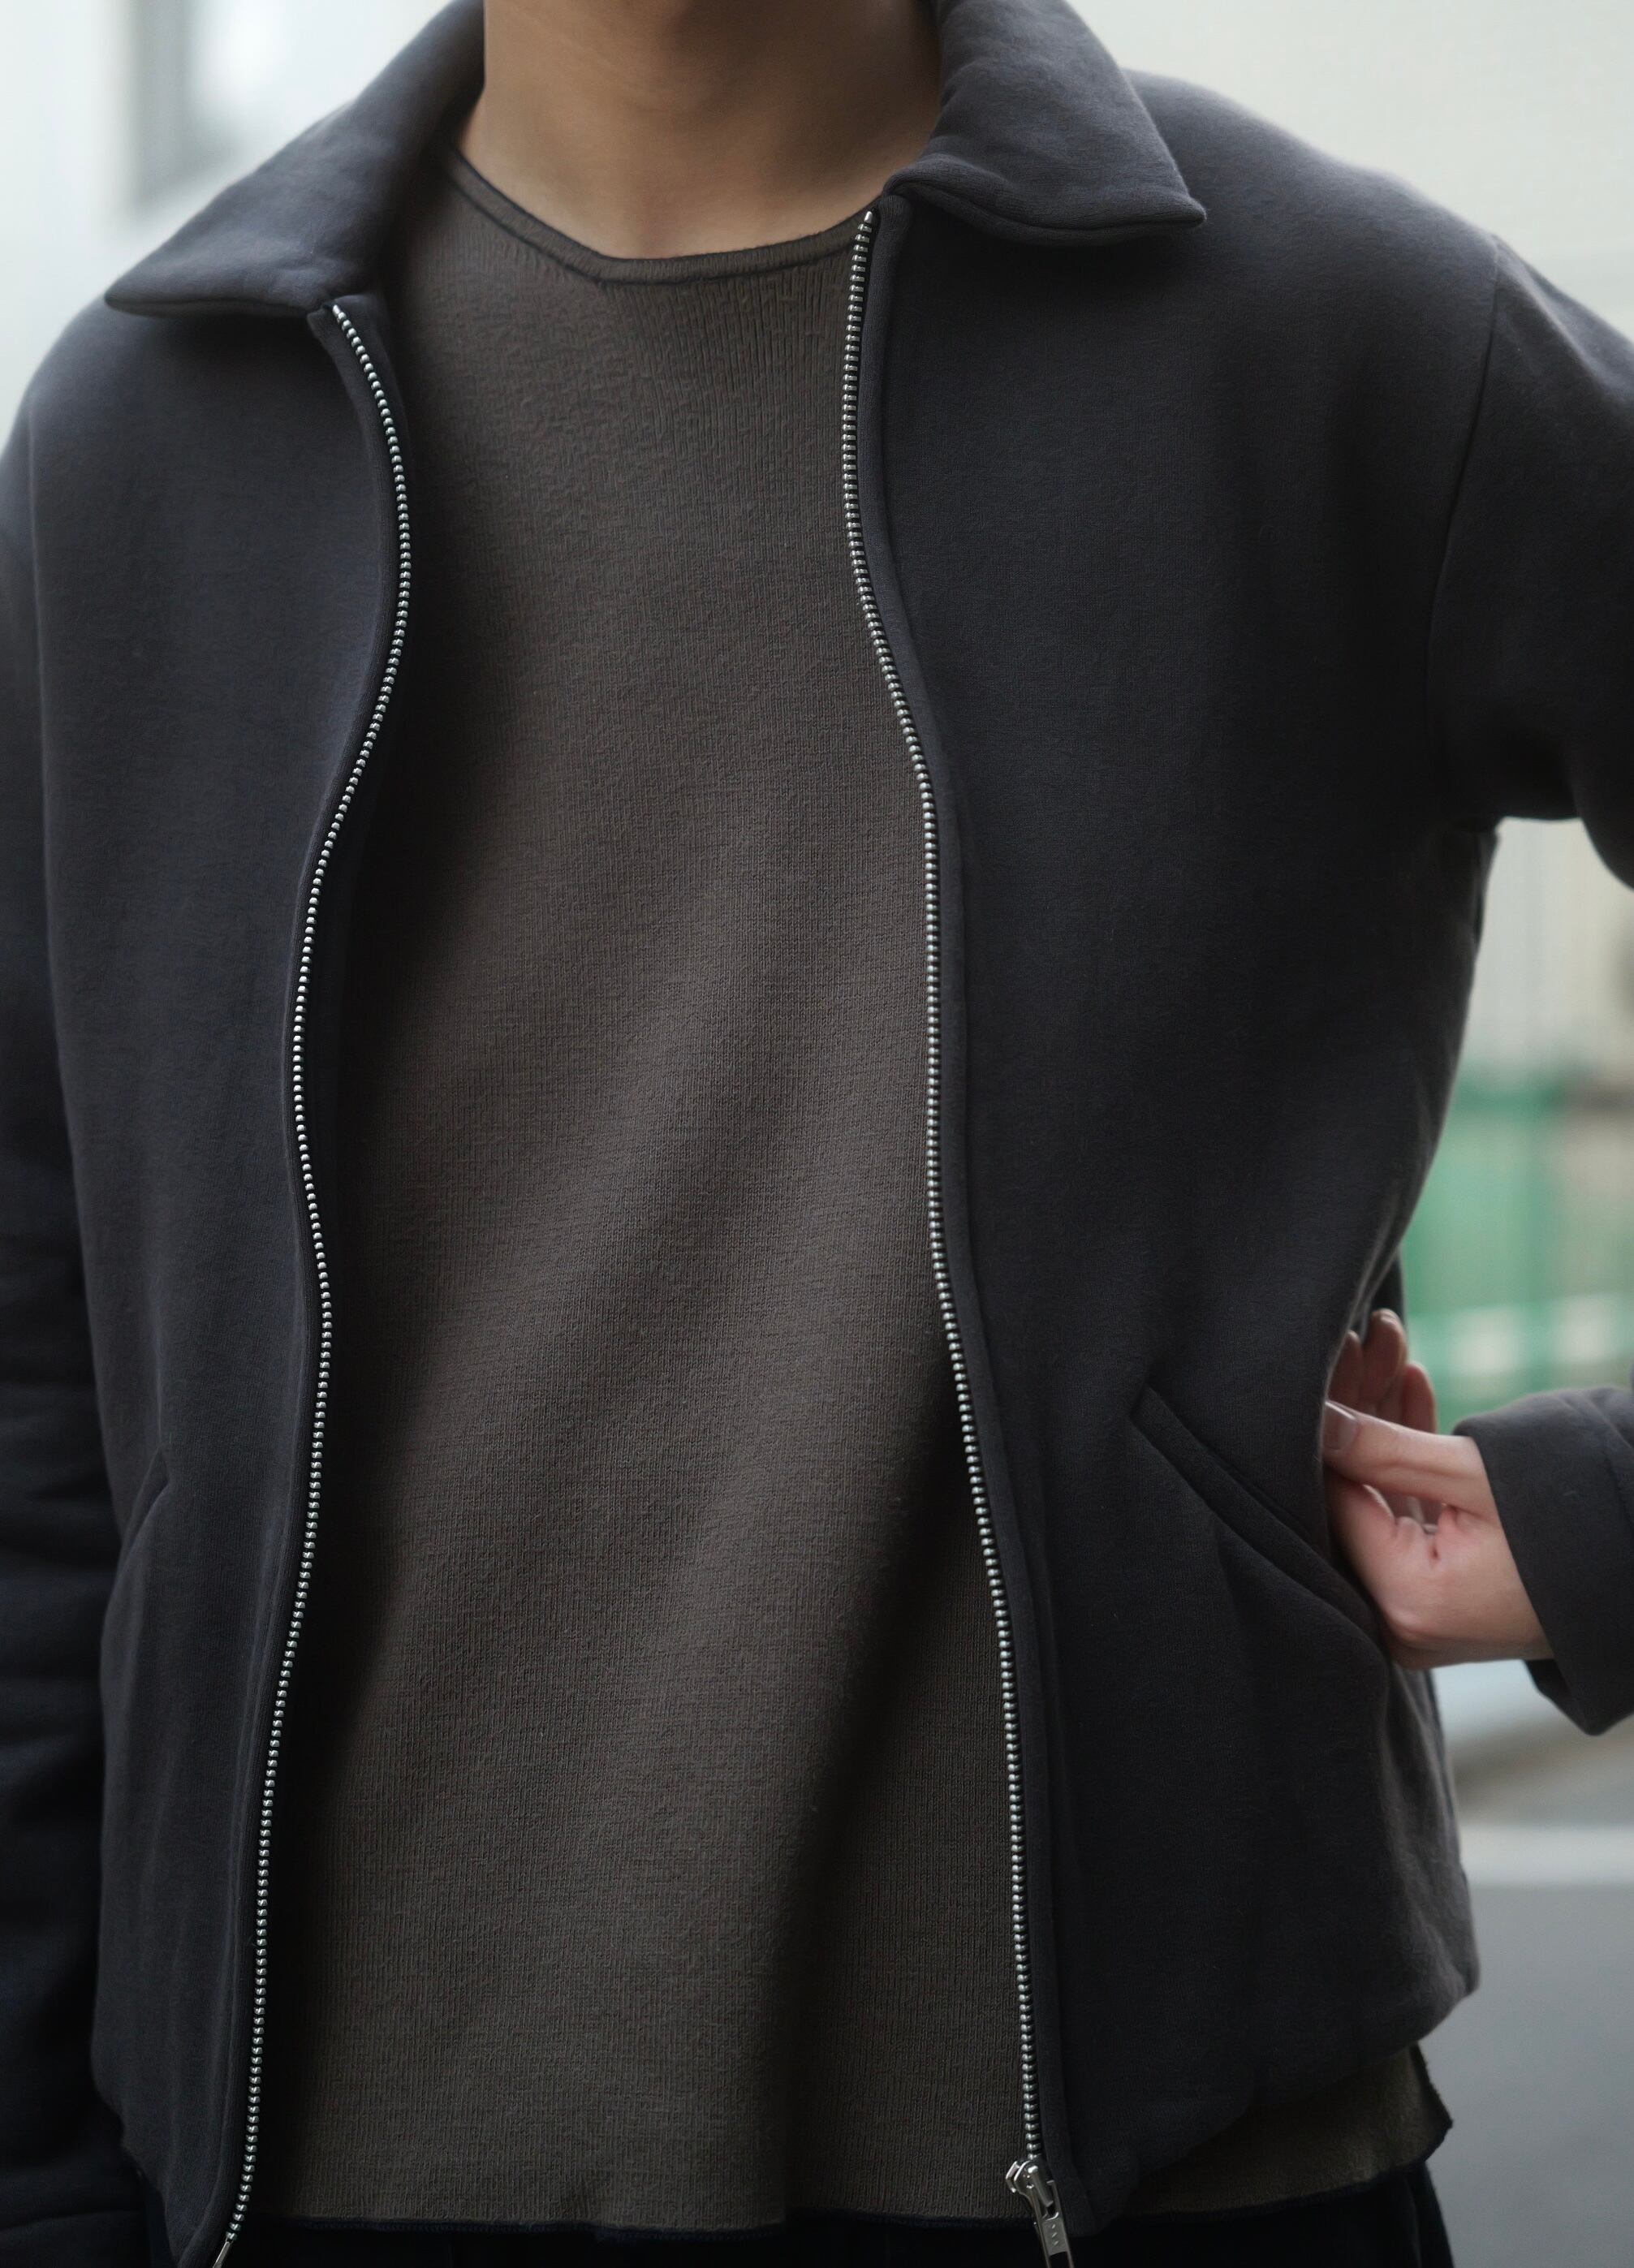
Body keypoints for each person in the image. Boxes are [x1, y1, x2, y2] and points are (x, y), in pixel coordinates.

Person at [2, 0, 1632, 2263]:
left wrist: (1610, 1504)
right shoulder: (146, 435)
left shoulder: (1336, 339)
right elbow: (41, 1400)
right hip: (305, 2169)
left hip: (1157, 2159)